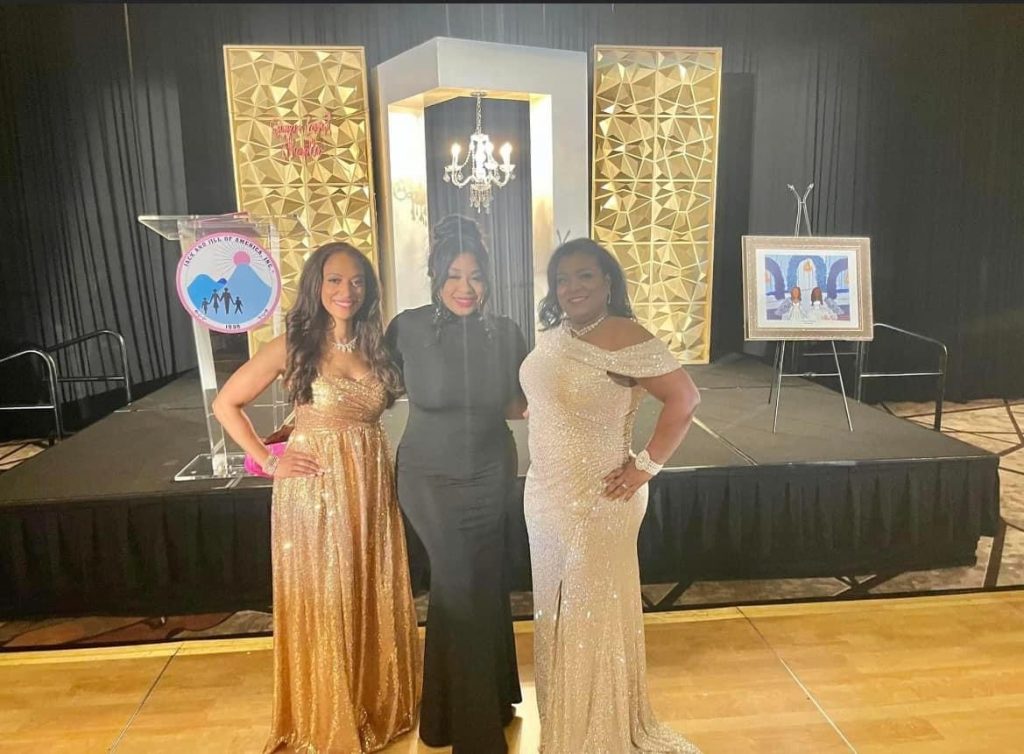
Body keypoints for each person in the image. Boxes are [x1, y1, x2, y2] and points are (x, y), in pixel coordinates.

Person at [211, 242, 421, 754]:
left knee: (368, 585)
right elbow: (226, 403)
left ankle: (372, 700)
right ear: (316, 285)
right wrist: (269, 460)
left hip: (370, 482)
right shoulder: (293, 345)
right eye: (334, 280)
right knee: (325, 593)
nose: (347, 291)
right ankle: (326, 712)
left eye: (357, 281)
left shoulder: (377, 345)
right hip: (315, 486)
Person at [520, 238, 703, 753]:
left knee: (590, 615)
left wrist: (646, 465)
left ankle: (597, 736)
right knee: (558, 614)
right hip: (546, 494)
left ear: (607, 282)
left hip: (600, 498)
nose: (571, 287)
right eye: (562, 279)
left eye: (585, 276)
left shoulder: (625, 333)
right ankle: (568, 727)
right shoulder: (558, 334)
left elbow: (685, 398)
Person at [385, 215, 527, 754]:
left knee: (478, 583)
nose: (465, 287)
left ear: (488, 279)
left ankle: (460, 711)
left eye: (475, 276)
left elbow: (518, 401)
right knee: (460, 582)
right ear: (435, 277)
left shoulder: (507, 333)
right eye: (453, 276)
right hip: (429, 478)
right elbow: (371, 384)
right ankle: (476, 736)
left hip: (491, 472)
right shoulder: (407, 327)